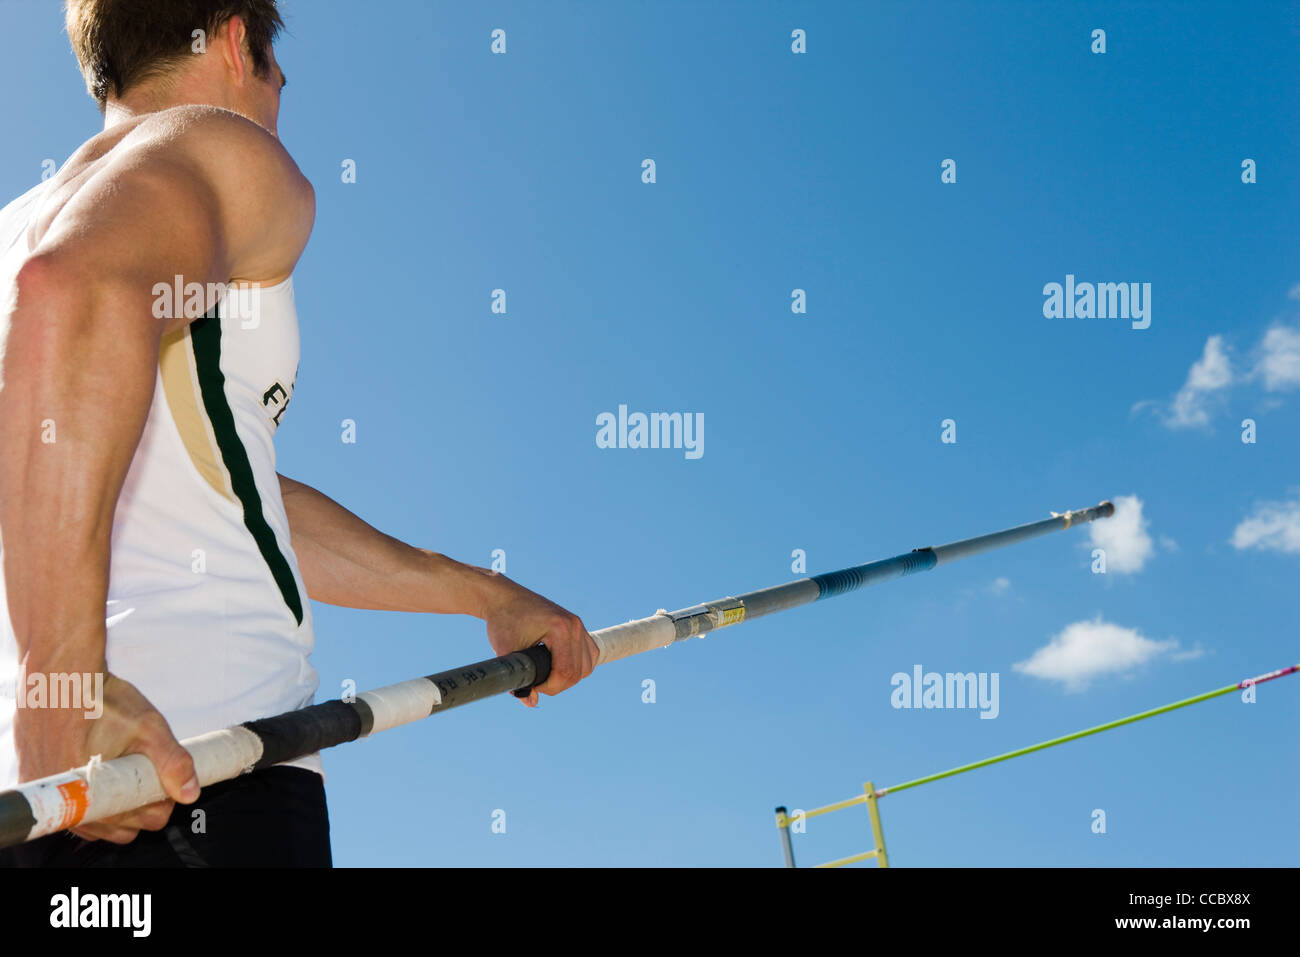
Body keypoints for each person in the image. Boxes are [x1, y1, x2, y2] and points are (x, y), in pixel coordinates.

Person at [0, 0, 597, 867]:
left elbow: (239, 498)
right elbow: (76, 287)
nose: (281, 105)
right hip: (192, 771)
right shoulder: (223, 145)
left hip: (40, 798)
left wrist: (489, 596)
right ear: (239, 42)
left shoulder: (12, 230)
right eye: (280, 77)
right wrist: (64, 688)